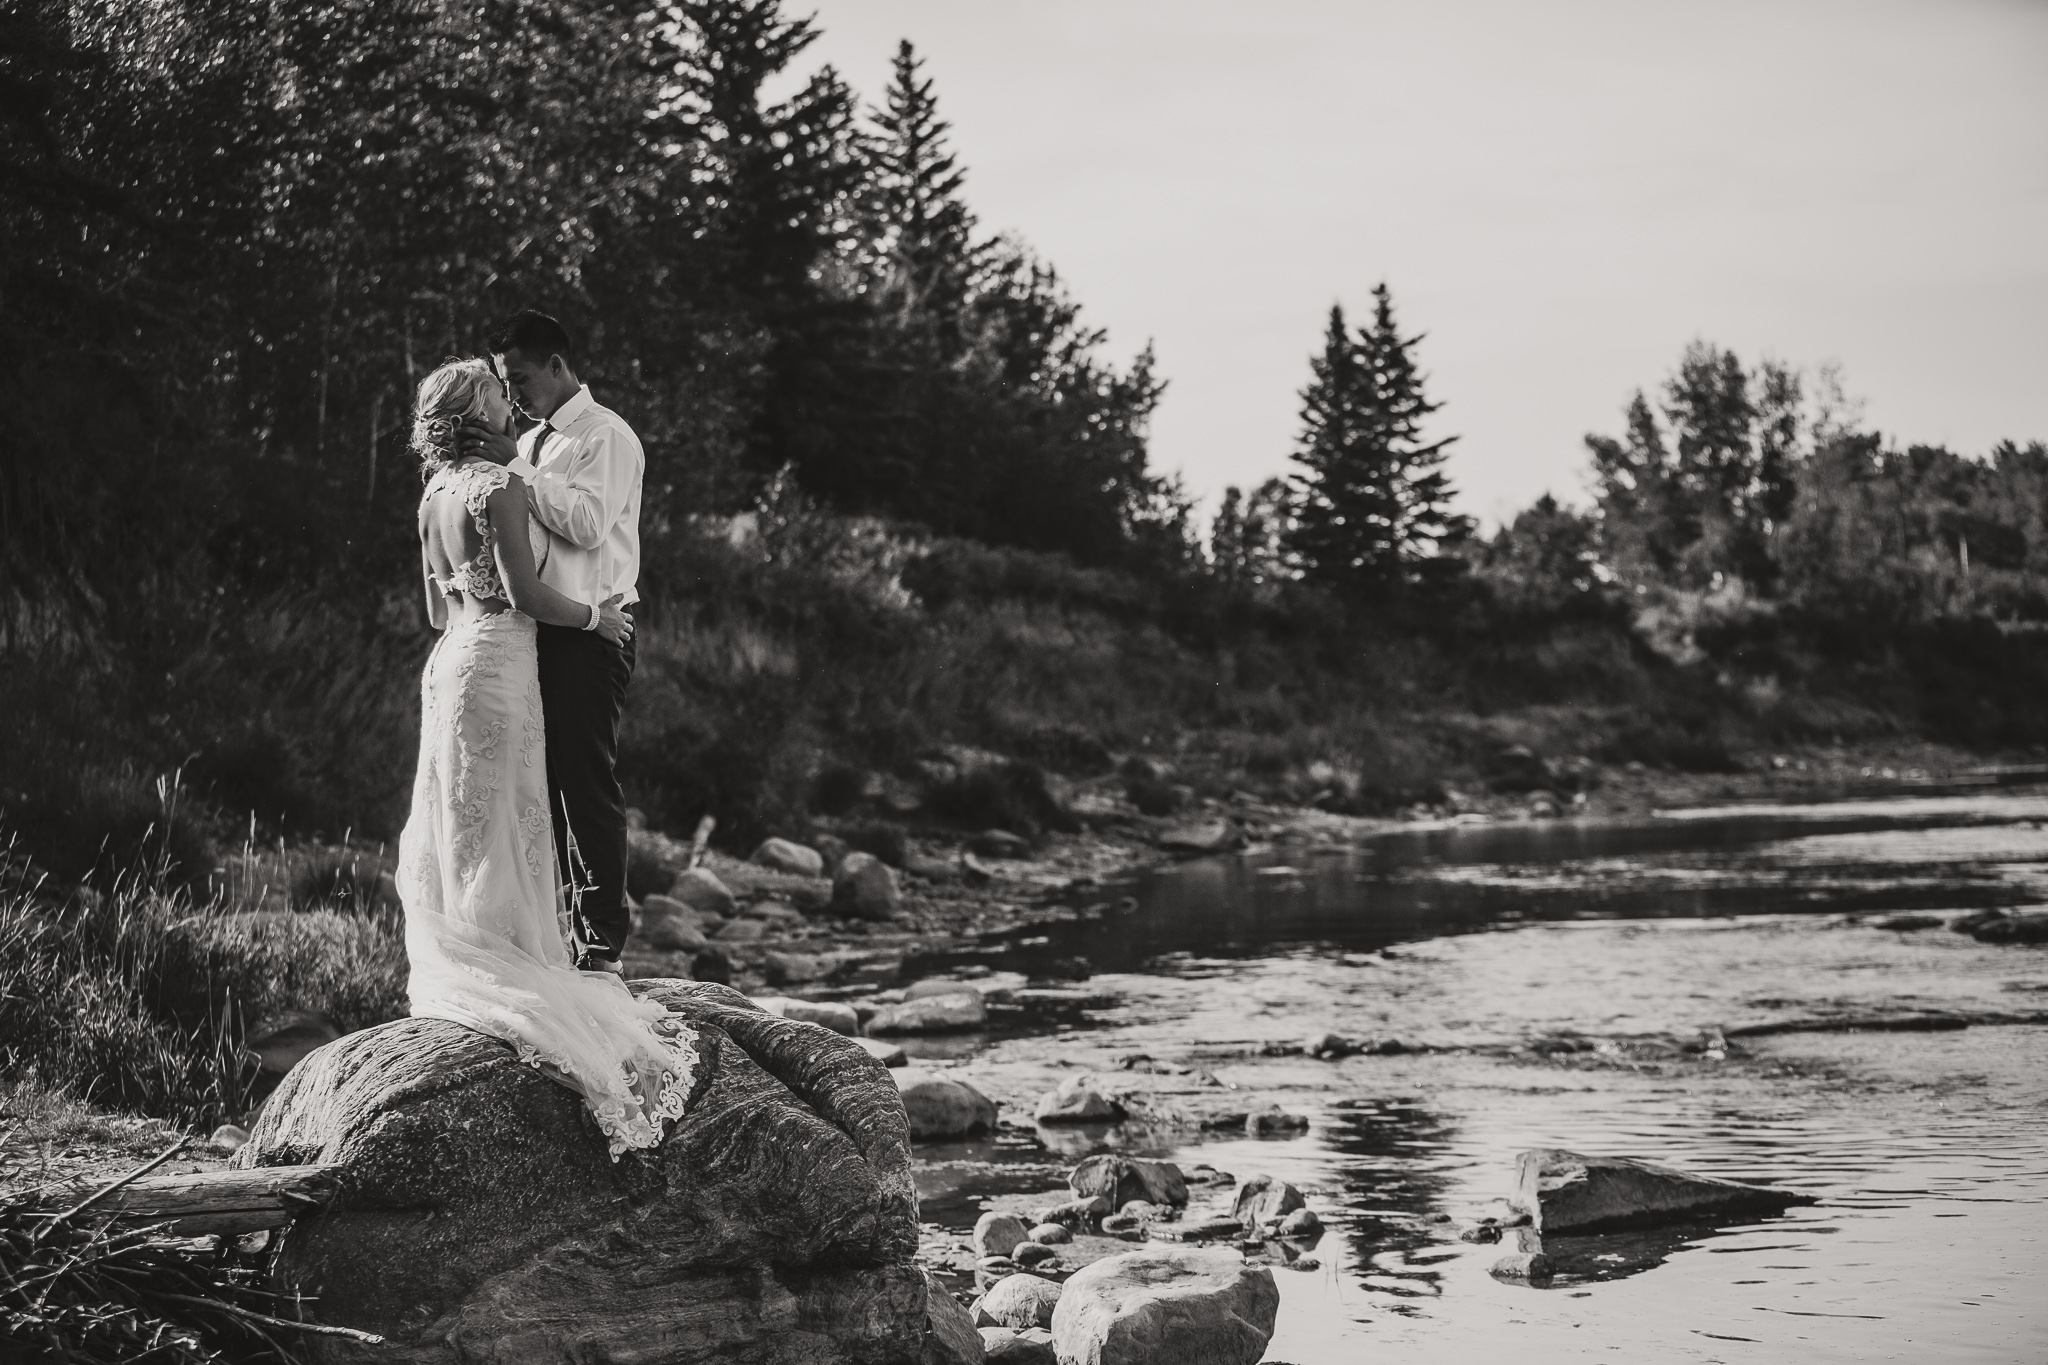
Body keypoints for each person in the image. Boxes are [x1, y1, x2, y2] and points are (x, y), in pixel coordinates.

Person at [399, 358, 694, 1158]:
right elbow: (528, 596)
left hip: (452, 660)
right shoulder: (502, 486)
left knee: (460, 816)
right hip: (500, 665)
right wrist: (595, 617)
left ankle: (469, 951)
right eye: (497, 394)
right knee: (513, 815)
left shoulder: (432, 496)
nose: (509, 398)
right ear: (476, 413)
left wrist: (476, 607)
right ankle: (525, 962)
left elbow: (434, 606)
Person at [459, 310, 644, 973]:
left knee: (585, 783)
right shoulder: (532, 442)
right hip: (541, 630)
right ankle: (562, 928)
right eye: (506, 381)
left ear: (559, 366)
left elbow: (589, 526)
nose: (514, 393)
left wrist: (517, 467)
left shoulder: (606, 436)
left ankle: (601, 941)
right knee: (545, 785)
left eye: (522, 377)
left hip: (594, 633)